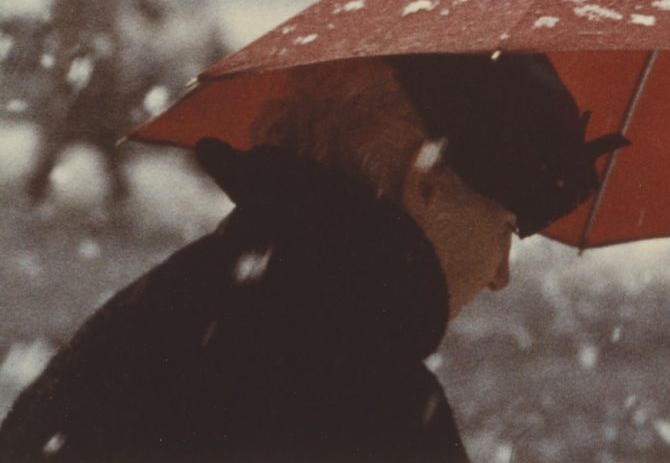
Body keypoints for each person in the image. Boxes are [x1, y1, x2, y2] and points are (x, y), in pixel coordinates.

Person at [0, 51, 627, 462]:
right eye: (507, 226)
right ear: (426, 182)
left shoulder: (186, 300)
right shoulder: (360, 384)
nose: (499, 276)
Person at [23, 0, 163, 210]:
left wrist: (83, 45)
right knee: (94, 127)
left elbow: (104, 3)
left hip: (88, 60)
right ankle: (109, 189)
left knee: (71, 123)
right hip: (91, 58)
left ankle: (40, 187)